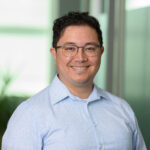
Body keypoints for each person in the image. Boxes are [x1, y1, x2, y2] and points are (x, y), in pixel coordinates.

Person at [2, 12, 147, 150]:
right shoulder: (30, 114)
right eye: (70, 48)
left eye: (90, 48)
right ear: (54, 53)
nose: (80, 58)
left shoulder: (122, 109)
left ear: (101, 52)